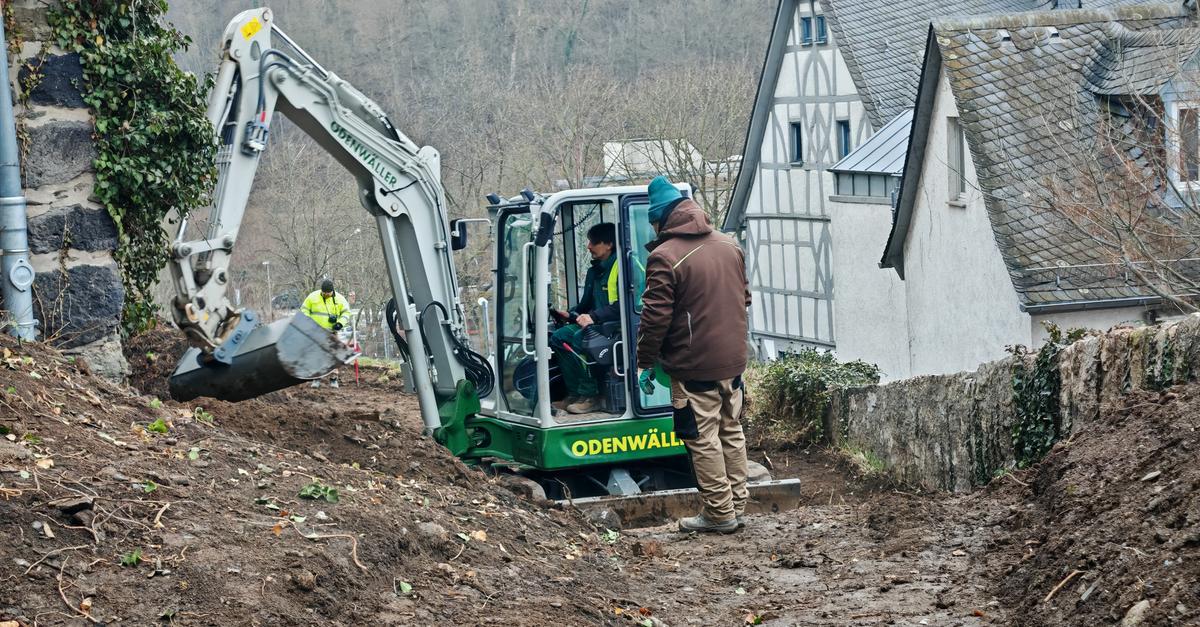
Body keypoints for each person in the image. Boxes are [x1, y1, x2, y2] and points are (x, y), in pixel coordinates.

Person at [636, 176, 751, 534]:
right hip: (733, 360)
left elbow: (655, 319)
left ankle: (719, 514)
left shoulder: (664, 256)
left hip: (693, 364)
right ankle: (738, 503)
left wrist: (644, 361)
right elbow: (743, 298)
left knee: (701, 437)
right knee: (731, 429)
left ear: (662, 220)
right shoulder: (729, 245)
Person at [551, 222, 620, 414]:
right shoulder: (594, 271)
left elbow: (623, 306)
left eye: (593, 242)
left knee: (577, 340)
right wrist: (570, 314)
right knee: (558, 336)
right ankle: (575, 393)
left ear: (609, 244)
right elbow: (586, 304)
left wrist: (593, 316)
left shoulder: (621, 268)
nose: (588, 246)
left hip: (615, 327)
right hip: (597, 324)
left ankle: (592, 395)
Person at [302, 278, 351, 388]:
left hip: (332, 332)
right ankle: (316, 378)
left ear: (332, 291)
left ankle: (333, 379)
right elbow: (304, 311)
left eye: (328, 293)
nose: (326, 295)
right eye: (324, 293)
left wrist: (340, 323)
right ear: (321, 291)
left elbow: (346, 313)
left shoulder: (340, 299)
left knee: (333, 356)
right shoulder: (312, 297)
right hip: (316, 332)